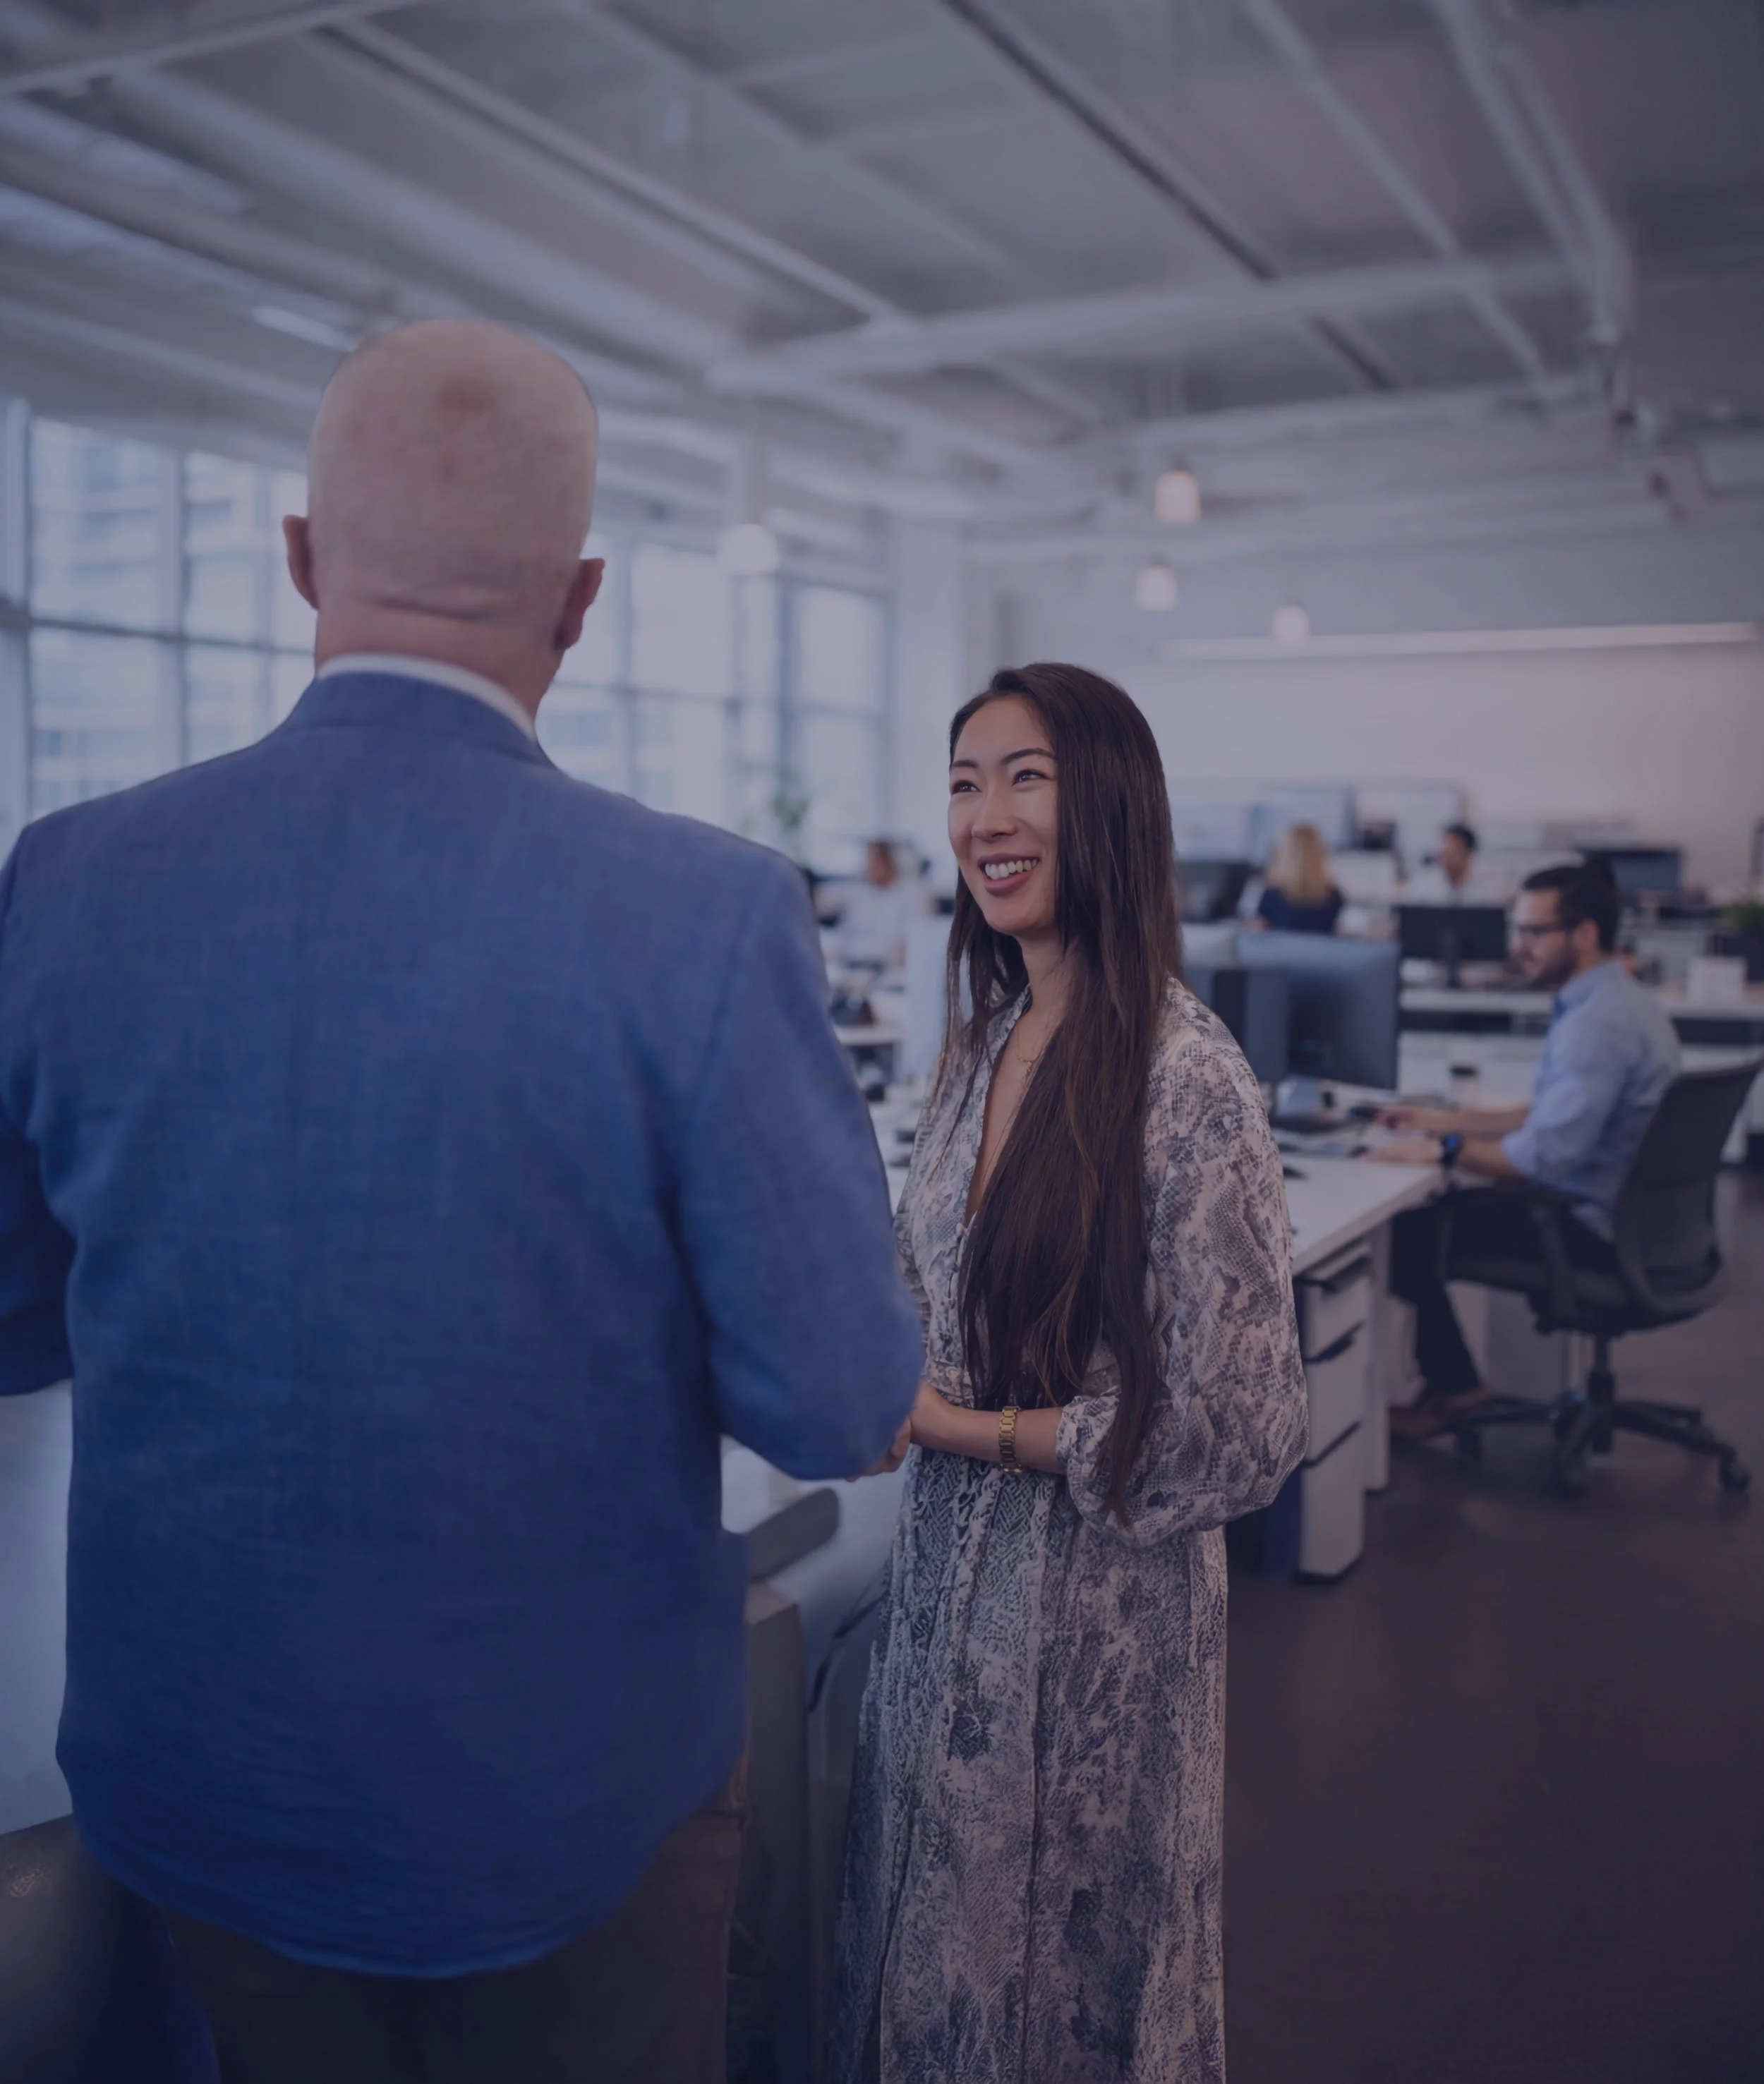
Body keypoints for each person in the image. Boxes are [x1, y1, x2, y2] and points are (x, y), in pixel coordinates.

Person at [0, 319, 922, 2083]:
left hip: (199, 1791)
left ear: (296, 560)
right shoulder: (705, 918)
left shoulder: (69, 880)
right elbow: (841, 1394)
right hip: (565, 1818)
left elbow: (14, 1319)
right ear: (578, 605)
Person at [829, 664, 1308, 2084]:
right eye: (963, 782)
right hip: (942, 1619)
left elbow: (1238, 1431)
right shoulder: (978, 1051)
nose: (986, 815)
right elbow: (924, 1293)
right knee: (939, 1978)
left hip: (1098, 1638)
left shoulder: (1185, 1078)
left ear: (1106, 802)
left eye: (1023, 775)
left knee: (1072, 1998)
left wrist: (964, 1429)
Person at [1367, 860, 1679, 1438]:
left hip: (1585, 1230)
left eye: (1534, 932)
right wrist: (1437, 1119)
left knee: (1406, 1237)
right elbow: (1547, 1115)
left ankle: (1458, 1392)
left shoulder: (1595, 1026)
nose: (1519, 947)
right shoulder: (1624, 1002)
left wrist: (1444, 1148)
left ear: (1584, 934)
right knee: (1429, 1221)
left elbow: (1537, 1160)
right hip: (1642, 1227)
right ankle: (1456, 1386)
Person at [836, 837, 930, 970]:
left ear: (890, 862)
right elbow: (846, 933)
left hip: (892, 968)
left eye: (875, 862)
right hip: (854, 964)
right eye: (868, 862)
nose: (870, 867)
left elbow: (917, 939)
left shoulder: (914, 893)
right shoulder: (860, 892)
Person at [1252, 820, 1343, 933]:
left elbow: (1257, 931)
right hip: (1319, 951)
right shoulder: (1334, 896)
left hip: (1279, 951)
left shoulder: (1272, 894)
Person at [1403, 821, 1497, 904]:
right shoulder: (1423, 888)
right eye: (1444, 848)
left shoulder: (1482, 893)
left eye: (1452, 849)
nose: (1446, 853)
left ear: (1468, 855)